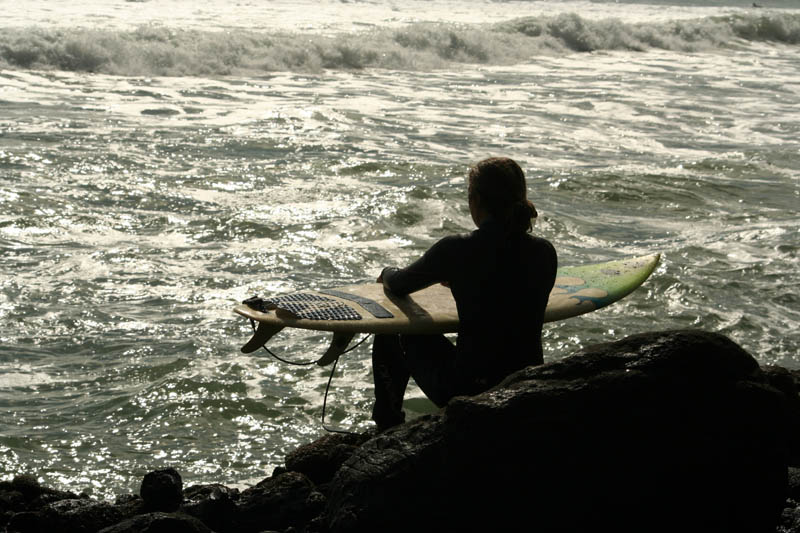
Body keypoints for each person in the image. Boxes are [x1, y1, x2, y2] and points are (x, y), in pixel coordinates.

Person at [371, 157, 558, 430]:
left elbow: (399, 284)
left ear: (476, 200)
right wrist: (460, 277)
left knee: (393, 330)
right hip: (525, 383)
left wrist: (386, 271)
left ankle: (386, 428)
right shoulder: (545, 252)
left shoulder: (457, 250)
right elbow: (504, 287)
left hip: (470, 390)